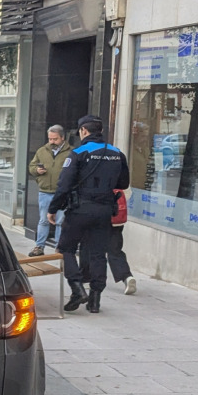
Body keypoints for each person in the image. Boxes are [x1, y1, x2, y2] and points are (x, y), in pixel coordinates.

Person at [47, 115, 129, 314]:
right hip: (104, 211)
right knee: (98, 253)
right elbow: (123, 183)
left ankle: (77, 288)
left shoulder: (78, 153)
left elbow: (64, 185)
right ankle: (95, 300)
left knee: (65, 249)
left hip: (79, 209)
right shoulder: (117, 153)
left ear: (83, 131)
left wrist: (53, 208)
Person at [27, 125, 74, 257]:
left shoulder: (71, 152)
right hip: (45, 191)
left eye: (55, 139)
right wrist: (37, 170)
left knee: (60, 221)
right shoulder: (42, 151)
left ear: (62, 138)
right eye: (50, 139)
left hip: (62, 193)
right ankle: (39, 246)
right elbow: (31, 166)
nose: (52, 142)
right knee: (43, 220)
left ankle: (59, 247)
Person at [108, 189, 137, 295]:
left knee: (91, 247)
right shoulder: (120, 172)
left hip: (99, 216)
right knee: (115, 250)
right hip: (117, 218)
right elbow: (128, 192)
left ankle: (87, 278)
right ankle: (126, 276)